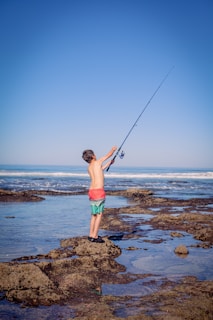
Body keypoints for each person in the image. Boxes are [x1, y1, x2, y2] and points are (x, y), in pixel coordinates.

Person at [82, 146, 117, 243]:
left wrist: (109, 163)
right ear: (93, 156)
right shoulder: (97, 162)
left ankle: (90, 235)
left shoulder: (89, 168)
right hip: (99, 192)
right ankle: (95, 236)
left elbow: (100, 169)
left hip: (91, 192)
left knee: (94, 214)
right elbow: (108, 155)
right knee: (99, 214)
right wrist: (113, 150)